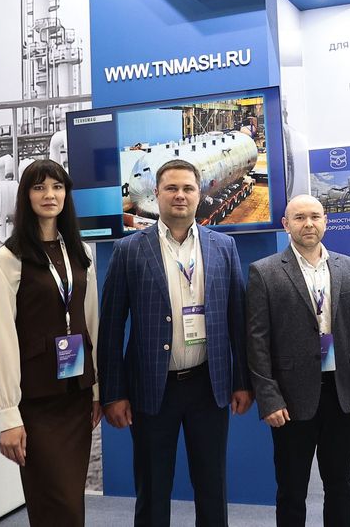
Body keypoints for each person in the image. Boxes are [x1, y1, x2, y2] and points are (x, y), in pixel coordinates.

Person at [97, 159, 253, 527]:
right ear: (156, 194)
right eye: (171, 188)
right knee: (152, 490)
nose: (180, 195)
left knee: (212, 487)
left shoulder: (224, 247)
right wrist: (113, 393)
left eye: (187, 188)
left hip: (209, 386)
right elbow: (111, 327)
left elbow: (238, 320)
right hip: (152, 389)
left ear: (200, 194)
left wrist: (242, 381)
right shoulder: (129, 250)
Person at [245, 194, 350, 527]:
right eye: (299, 217)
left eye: (315, 217)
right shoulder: (265, 272)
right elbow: (257, 342)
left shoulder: (349, 268)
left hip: (341, 396)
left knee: (340, 486)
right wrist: (269, 398)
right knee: (292, 491)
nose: (308, 224)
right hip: (291, 400)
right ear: (285, 224)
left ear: (325, 221)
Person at [0, 159, 101, 526]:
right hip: (36, 402)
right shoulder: (9, 258)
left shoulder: (81, 253)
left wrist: (97, 390)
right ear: (26, 196)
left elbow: (91, 324)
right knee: (54, 501)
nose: (50, 195)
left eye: (57, 187)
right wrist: (8, 414)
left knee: (71, 501)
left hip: (76, 397)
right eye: (39, 187)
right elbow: (1, 336)